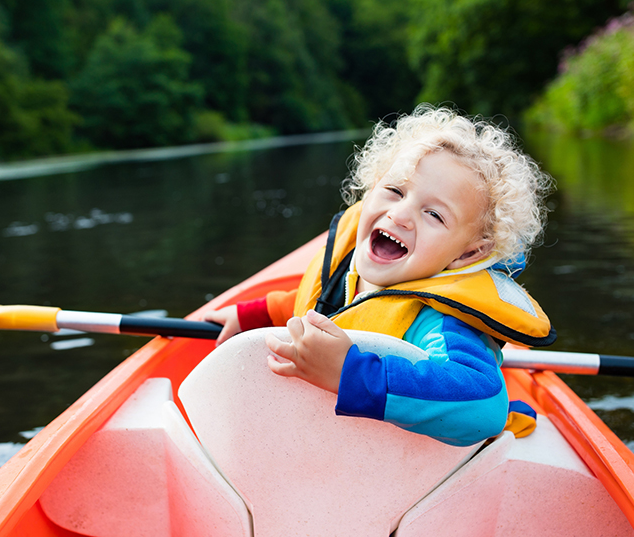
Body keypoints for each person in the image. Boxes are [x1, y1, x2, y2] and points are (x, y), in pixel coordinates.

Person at [205, 105, 555, 447]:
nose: (400, 215)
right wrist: (252, 315)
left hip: (396, 474)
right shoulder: (353, 265)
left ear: (469, 253)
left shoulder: (441, 322)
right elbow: (320, 304)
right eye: (395, 191)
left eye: (433, 214)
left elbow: (483, 406)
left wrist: (350, 371)